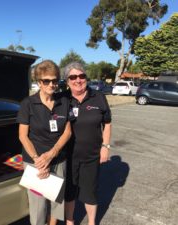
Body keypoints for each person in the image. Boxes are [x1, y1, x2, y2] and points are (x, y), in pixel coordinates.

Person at [17, 60, 71, 225]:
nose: (51, 84)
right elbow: (23, 136)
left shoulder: (64, 102)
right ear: (39, 82)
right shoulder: (28, 104)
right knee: (38, 207)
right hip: (36, 163)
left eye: (54, 80)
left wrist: (52, 154)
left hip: (59, 159)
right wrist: (38, 160)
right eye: (46, 81)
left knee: (56, 202)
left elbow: (68, 131)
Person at [63, 62, 112, 225]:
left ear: (86, 78)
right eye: (73, 77)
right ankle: (70, 221)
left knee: (90, 192)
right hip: (68, 156)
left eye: (81, 76)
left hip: (92, 155)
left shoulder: (98, 97)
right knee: (69, 192)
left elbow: (107, 123)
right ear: (67, 81)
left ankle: (92, 222)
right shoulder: (63, 99)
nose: (78, 80)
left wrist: (105, 147)